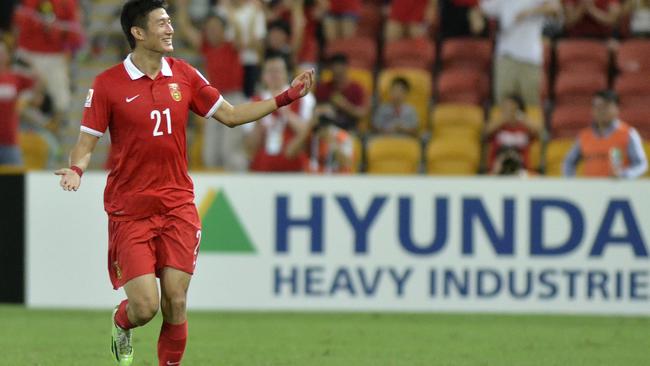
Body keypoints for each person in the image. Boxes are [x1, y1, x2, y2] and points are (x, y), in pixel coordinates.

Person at [53, 1, 313, 365]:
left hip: (177, 205)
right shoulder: (107, 83)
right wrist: (77, 170)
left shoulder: (186, 75)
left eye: (170, 21)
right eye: (161, 23)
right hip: (131, 210)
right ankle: (120, 321)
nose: (170, 28)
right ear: (138, 33)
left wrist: (286, 97)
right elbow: (84, 145)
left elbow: (233, 116)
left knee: (175, 300)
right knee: (145, 307)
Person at [175, 0, 248, 171]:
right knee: (210, 153)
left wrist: (229, 11)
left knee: (230, 151)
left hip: (233, 98)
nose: (212, 31)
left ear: (224, 30)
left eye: (216, 27)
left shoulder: (232, 46)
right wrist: (182, 8)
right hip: (214, 99)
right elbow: (186, 29)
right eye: (209, 28)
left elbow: (239, 33)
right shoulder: (207, 47)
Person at [13, 0, 83, 131]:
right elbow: (17, 16)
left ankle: (51, 138)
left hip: (54, 57)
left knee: (62, 103)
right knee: (17, 98)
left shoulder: (68, 2)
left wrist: (56, 28)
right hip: (26, 54)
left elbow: (77, 35)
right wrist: (41, 24)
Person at [479, 0, 561, 107]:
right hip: (506, 56)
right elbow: (483, 8)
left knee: (531, 104)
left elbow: (555, 8)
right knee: (502, 103)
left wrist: (529, 11)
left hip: (530, 58)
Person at [245, 53, 315, 172]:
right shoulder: (254, 102)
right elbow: (250, 147)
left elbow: (306, 132)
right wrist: (258, 122)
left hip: (293, 161)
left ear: (286, 74)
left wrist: (285, 112)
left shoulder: (303, 97)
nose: (274, 75)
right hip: (263, 163)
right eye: (270, 71)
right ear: (263, 76)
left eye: (278, 71)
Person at [563, 90, 647, 178]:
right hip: (590, 189)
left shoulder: (628, 133)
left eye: (605, 106)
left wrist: (624, 175)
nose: (601, 110)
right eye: (597, 106)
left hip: (618, 189)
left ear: (617, 108)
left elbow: (641, 164)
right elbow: (569, 162)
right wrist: (571, 182)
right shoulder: (584, 136)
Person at [215, 0, 266, 97]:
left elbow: (258, 42)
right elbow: (222, 42)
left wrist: (240, 42)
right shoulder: (221, 9)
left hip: (249, 62)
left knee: (248, 99)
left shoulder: (255, 10)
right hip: (227, 63)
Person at [289, 103, 355, 173]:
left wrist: (331, 140)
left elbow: (348, 163)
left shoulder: (342, 136)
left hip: (335, 179)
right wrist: (308, 128)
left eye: (325, 118)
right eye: (320, 118)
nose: (322, 121)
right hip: (311, 179)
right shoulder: (309, 135)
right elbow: (290, 154)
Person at [0, 40, 35, 166]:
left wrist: (27, 62)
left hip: (10, 141)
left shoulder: (15, 77)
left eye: (2, 52)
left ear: (8, 56)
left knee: (15, 182)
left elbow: (38, 80)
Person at [485, 94, 540, 173]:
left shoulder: (524, 128)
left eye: (512, 108)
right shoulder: (498, 126)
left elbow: (539, 131)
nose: (509, 111)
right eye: (505, 108)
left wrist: (521, 116)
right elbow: (486, 132)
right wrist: (503, 118)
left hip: (522, 168)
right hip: (498, 169)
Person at [314, 53, 368, 131]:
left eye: (340, 73)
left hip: (350, 129)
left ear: (346, 68)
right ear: (331, 70)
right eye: (335, 73)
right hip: (326, 128)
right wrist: (323, 108)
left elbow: (362, 114)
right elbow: (314, 109)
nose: (338, 76)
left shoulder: (356, 88)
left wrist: (345, 106)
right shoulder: (322, 88)